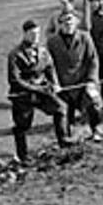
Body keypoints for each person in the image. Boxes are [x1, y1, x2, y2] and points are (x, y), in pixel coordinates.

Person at [7, 20, 70, 163]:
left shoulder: (43, 51)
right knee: (22, 126)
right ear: (24, 34)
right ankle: (23, 156)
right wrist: (37, 88)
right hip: (22, 94)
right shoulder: (15, 54)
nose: (35, 37)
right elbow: (14, 80)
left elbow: (50, 68)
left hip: (42, 91)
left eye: (37, 33)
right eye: (32, 34)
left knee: (61, 108)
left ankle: (64, 141)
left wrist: (55, 84)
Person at [48, 10, 103, 141]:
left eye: (71, 22)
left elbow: (93, 60)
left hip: (83, 82)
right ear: (60, 25)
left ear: (76, 23)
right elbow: (49, 66)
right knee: (62, 112)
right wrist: (54, 83)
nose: (68, 25)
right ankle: (65, 139)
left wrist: (91, 81)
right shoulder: (52, 42)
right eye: (65, 22)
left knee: (93, 103)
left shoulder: (85, 37)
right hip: (62, 86)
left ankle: (96, 130)